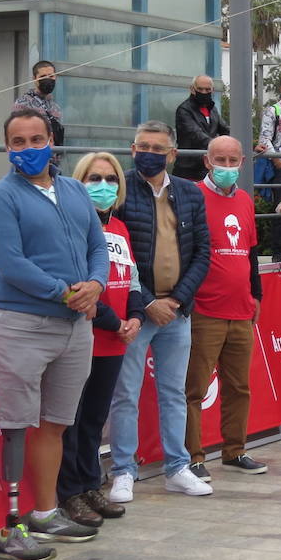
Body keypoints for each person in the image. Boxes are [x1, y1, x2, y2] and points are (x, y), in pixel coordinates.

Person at [0, 108, 107, 560]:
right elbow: (10, 264)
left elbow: (97, 243)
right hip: (23, 326)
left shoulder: (74, 189)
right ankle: (12, 526)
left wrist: (95, 283)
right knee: (17, 426)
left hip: (75, 327)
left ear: (51, 140)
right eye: (19, 141)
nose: (29, 148)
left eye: (37, 139)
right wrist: (65, 292)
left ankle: (46, 511)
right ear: (7, 147)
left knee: (55, 423)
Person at [108, 121, 213, 502]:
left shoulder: (189, 193)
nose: (148, 153)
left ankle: (177, 467)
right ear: (133, 149)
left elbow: (203, 252)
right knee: (126, 395)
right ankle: (122, 471)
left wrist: (178, 301)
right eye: (142, 146)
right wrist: (147, 301)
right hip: (138, 312)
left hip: (178, 312)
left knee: (173, 393)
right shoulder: (120, 191)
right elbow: (117, 252)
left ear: (172, 154)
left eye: (157, 147)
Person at [56, 151, 142, 527]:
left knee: (94, 420)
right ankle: (70, 492)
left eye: (110, 179)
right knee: (71, 422)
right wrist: (116, 322)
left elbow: (133, 278)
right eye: (95, 178)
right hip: (85, 336)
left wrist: (136, 316)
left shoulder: (120, 228)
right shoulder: (72, 226)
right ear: (79, 181)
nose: (103, 186)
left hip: (114, 342)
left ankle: (91, 483)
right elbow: (78, 289)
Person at [186, 136, 266, 479]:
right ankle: (193, 457)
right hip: (204, 310)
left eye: (233, 161)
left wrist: (256, 296)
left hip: (240, 310)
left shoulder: (246, 201)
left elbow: (250, 254)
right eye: (221, 160)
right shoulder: (192, 196)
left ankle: (235, 450)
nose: (227, 167)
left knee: (239, 387)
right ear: (207, 161)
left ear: (243, 161)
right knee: (194, 390)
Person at [257, 71, 281, 260]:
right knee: (280, 209)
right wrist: (277, 161)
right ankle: (278, 253)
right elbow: (264, 139)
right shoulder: (274, 110)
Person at [173, 75, 229, 181]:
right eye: (200, 89)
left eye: (207, 89)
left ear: (212, 90)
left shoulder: (212, 110)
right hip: (188, 169)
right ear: (192, 89)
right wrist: (220, 147)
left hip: (207, 167)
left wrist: (245, 144)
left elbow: (225, 129)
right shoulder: (184, 110)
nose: (203, 92)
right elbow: (195, 134)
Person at [13, 60, 64, 147]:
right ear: (34, 79)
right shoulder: (23, 103)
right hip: (32, 156)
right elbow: (17, 133)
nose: (48, 79)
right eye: (43, 76)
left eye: (51, 76)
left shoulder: (56, 107)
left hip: (53, 157)